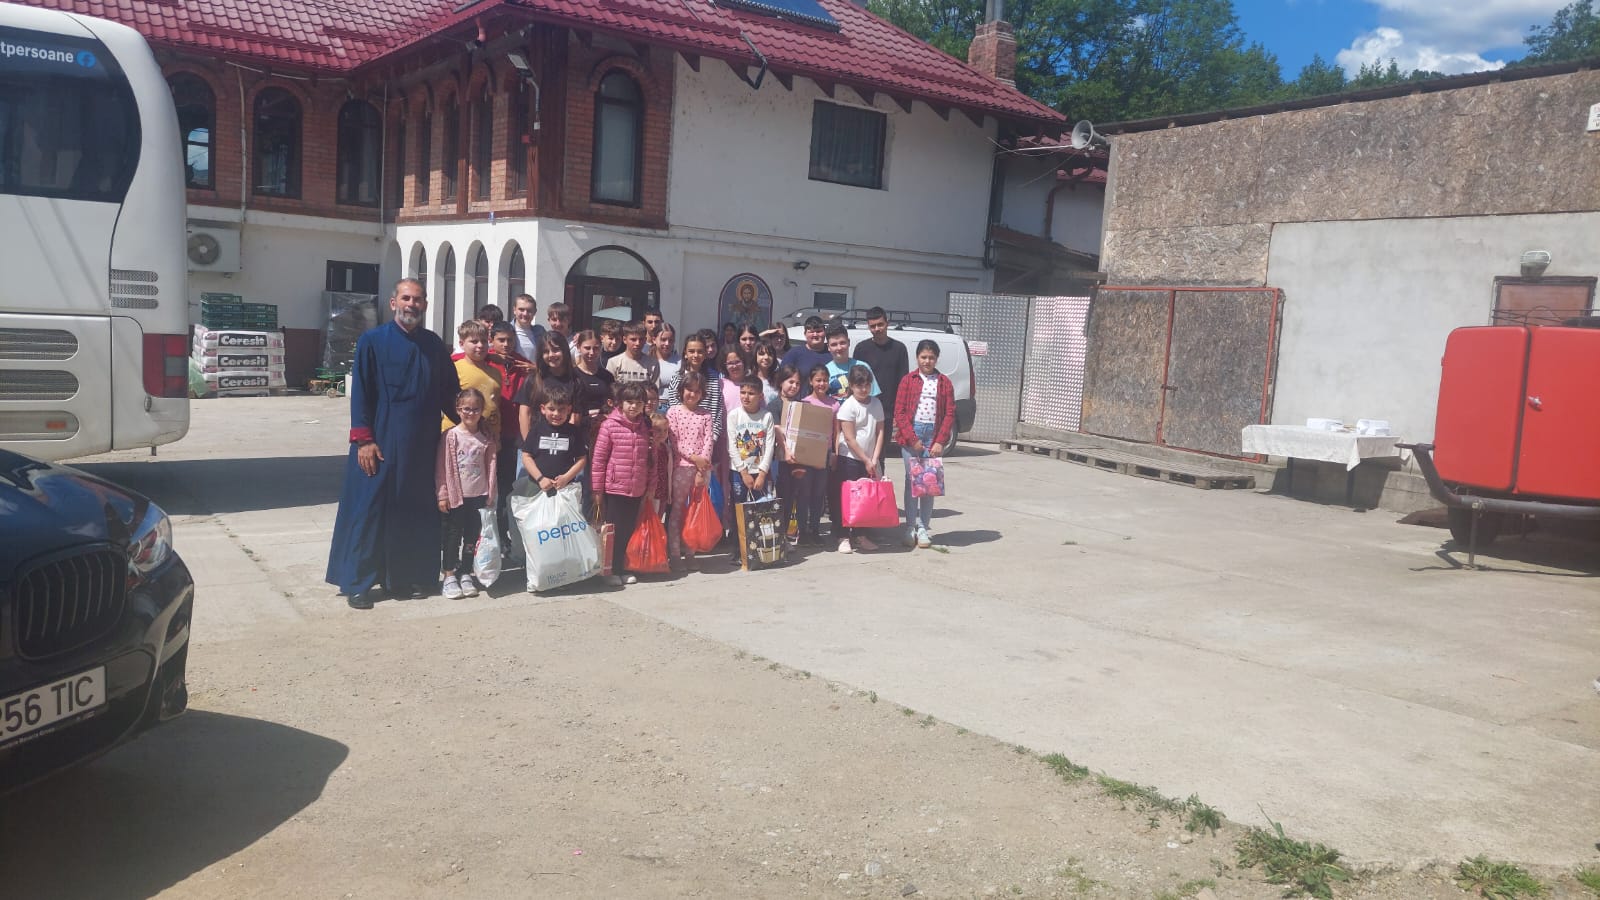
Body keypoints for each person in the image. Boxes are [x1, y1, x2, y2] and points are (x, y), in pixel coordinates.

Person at [327, 278, 459, 610]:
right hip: (380, 440)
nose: (411, 304)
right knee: (369, 509)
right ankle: (359, 583)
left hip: (421, 443)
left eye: (418, 299)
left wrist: (472, 428)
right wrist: (363, 440)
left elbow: (450, 393)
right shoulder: (372, 341)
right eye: (406, 298)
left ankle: (404, 578)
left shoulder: (433, 345)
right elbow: (361, 393)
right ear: (393, 303)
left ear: (425, 305)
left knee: (413, 512)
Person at [591, 381, 658, 586]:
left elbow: (651, 459)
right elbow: (599, 460)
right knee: (613, 531)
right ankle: (608, 570)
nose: (633, 407)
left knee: (629, 530)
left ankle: (624, 568)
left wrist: (650, 486)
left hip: (636, 488)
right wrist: (597, 490)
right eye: (629, 402)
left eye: (638, 403)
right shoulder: (609, 425)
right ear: (620, 403)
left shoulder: (646, 427)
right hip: (614, 488)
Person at [436, 388, 497, 600]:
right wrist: (442, 494)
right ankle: (449, 574)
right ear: (458, 409)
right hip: (456, 498)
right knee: (452, 536)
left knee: (472, 537)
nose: (471, 413)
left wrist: (491, 493)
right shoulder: (450, 436)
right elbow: (441, 468)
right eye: (466, 409)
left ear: (482, 411)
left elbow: (491, 467)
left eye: (475, 409)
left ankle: (466, 573)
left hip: (478, 496)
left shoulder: (486, 438)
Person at [895, 339, 957, 549]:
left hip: (933, 435)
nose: (927, 361)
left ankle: (923, 528)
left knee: (928, 483)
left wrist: (940, 441)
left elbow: (949, 413)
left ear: (937, 359)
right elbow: (900, 412)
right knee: (912, 481)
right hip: (912, 435)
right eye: (923, 357)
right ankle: (910, 527)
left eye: (931, 357)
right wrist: (913, 439)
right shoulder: (908, 380)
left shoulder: (944, 382)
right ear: (917, 358)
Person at [666, 371, 715, 570]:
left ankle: (691, 552)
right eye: (689, 389)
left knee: (694, 512)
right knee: (677, 511)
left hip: (701, 471)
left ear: (702, 394)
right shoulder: (673, 412)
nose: (692, 394)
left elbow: (709, 441)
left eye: (697, 391)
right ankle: (675, 554)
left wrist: (702, 469)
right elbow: (675, 441)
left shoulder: (706, 415)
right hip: (681, 469)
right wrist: (695, 458)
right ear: (681, 390)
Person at [834, 365, 883, 554]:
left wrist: (874, 458)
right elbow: (849, 438)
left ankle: (861, 535)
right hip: (850, 459)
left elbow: (880, 432)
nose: (863, 389)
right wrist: (865, 459)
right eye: (859, 385)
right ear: (851, 386)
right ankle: (843, 536)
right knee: (847, 498)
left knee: (865, 499)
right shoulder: (848, 406)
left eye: (867, 385)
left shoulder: (876, 404)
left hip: (870, 459)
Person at [853, 306, 909, 470]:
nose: (877, 329)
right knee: (860, 452)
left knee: (880, 455)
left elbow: (903, 384)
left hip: (887, 413)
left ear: (887, 323)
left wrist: (899, 413)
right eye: (873, 326)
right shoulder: (861, 349)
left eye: (880, 324)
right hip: (863, 409)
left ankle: (877, 484)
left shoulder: (899, 349)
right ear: (868, 327)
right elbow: (855, 380)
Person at [521, 384, 585, 497]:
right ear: (543, 409)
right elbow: (526, 456)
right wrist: (540, 478)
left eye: (561, 409)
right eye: (551, 409)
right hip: (537, 485)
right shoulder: (536, 429)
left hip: (564, 487)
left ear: (569, 409)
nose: (556, 414)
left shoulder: (574, 432)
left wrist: (566, 478)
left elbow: (581, 459)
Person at [514, 332, 579, 440]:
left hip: (562, 442)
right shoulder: (533, 379)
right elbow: (524, 414)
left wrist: (566, 443)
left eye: (556, 350)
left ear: (564, 351)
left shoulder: (575, 380)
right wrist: (528, 444)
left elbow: (575, 416)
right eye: (546, 351)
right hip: (533, 441)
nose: (551, 355)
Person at [445, 321, 502, 441]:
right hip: (460, 438)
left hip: (490, 438)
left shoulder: (496, 372)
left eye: (484, 341)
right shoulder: (454, 369)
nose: (480, 345)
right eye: (474, 341)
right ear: (462, 344)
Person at [727, 376, 775, 505]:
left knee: (760, 507)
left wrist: (762, 474)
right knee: (738, 506)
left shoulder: (767, 416)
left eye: (751, 393)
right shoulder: (734, 415)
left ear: (760, 396)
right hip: (738, 471)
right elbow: (731, 446)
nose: (746, 397)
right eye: (743, 392)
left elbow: (770, 447)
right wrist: (743, 473)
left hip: (759, 471)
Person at [571, 329, 616, 431]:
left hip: (604, 428)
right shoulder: (572, 375)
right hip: (578, 428)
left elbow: (613, 403)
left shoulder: (607, 376)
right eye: (587, 348)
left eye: (596, 348)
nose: (591, 352)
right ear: (578, 347)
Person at [824, 322, 880, 402]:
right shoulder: (824, 371)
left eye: (842, 343)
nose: (839, 348)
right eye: (834, 344)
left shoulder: (863, 367)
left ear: (849, 342)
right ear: (828, 347)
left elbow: (873, 399)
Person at [607, 320, 660, 386]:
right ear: (624, 340)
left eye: (641, 339)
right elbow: (609, 389)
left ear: (645, 340)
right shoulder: (614, 362)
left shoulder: (652, 364)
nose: (637, 343)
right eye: (633, 339)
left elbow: (654, 390)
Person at [511, 293, 545, 361]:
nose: (525, 314)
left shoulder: (540, 332)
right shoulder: (505, 331)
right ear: (514, 310)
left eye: (529, 310)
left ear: (535, 312)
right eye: (521, 309)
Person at [653, 323, 681, 392]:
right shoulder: (647, 362)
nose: (667, 343)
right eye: (663, 340)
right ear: (654, 340)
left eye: (671, 340)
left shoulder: (681, 362)